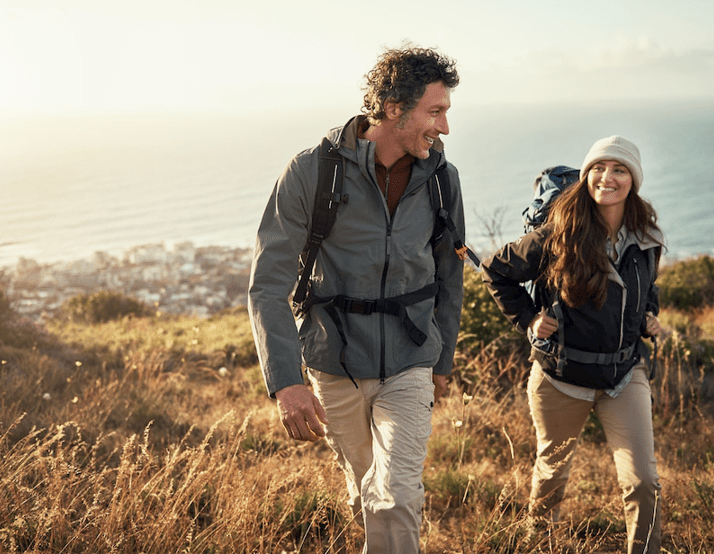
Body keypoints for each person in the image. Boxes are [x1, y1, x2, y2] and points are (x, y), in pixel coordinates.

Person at [247, 46, 465, 554]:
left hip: (412, 358)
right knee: (364, 486)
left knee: (394, 494)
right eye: (436, 112)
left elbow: (449, 278)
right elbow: (267, 284)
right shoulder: (311, 172)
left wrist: (443, 358)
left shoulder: (441, 179)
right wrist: (285, 383)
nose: (446, 128)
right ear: (393, 108)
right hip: (332, 361)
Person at [481, 136, 665, 553]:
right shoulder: (558, 233)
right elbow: (496, 270)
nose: (607, 177)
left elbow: (647, 286)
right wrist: (529, 318)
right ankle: (537, 545)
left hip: (623, 374)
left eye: (619, 169)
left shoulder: (647, 236)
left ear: (632, 180)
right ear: (586, 177)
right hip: (561, 376)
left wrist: (648, 315)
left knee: (643, 481)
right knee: (552, 476)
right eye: (598, 168)